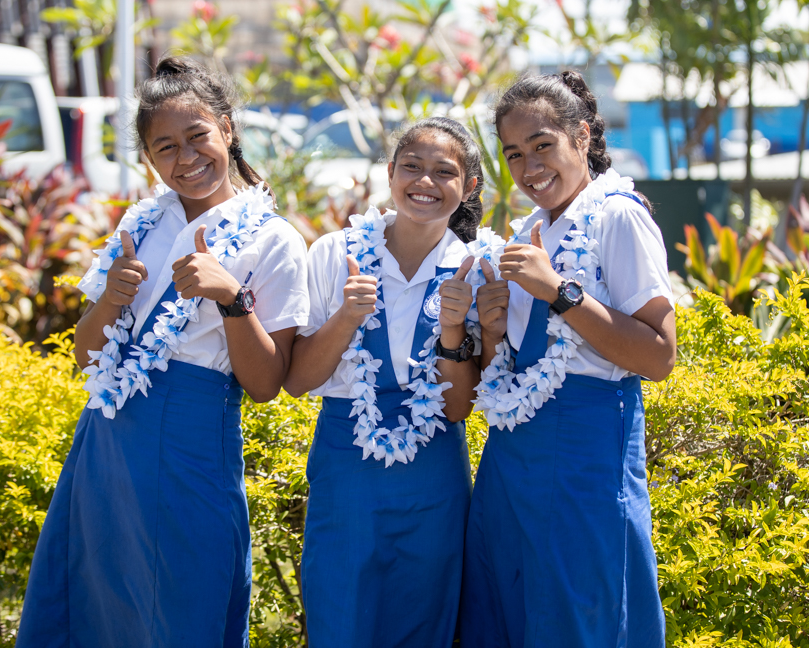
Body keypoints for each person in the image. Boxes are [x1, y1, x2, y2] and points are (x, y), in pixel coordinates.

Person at [17, 56, 309, 647]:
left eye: (198, 136)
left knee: (183, 595)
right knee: (92, 593)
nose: (187, 158)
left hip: (191, 436)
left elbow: (264, 383)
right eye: (165, 147)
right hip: (106, 438)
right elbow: (86, 353)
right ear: (149, 158)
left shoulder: (273, 239)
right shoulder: (143, 222)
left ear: (227, 128)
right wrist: (109, 301)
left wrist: (232, 299)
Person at [460, 72, 676, 648]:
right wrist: (492, 326)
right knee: (505, 605)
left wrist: (561, 291)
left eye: (542, 146)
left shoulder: (618, 217)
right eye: (513, 154)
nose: (529, 168)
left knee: (582, 610)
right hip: (512, 451)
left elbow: (658, 355)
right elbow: (511, 364)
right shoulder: (529, 231)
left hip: (585, 447)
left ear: (581, 137)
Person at [284, 117, 484, 647]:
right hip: (347, 458)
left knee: (424, 612)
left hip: (434, 468)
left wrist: (453, 329)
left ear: (469, 187)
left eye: (445, 171)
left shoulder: (474, 269)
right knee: (340, 607)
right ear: (390, 173)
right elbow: (299, 379)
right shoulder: (335, 252)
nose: (425, 181)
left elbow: (460, 407)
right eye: (412, 167)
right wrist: (346, 317)